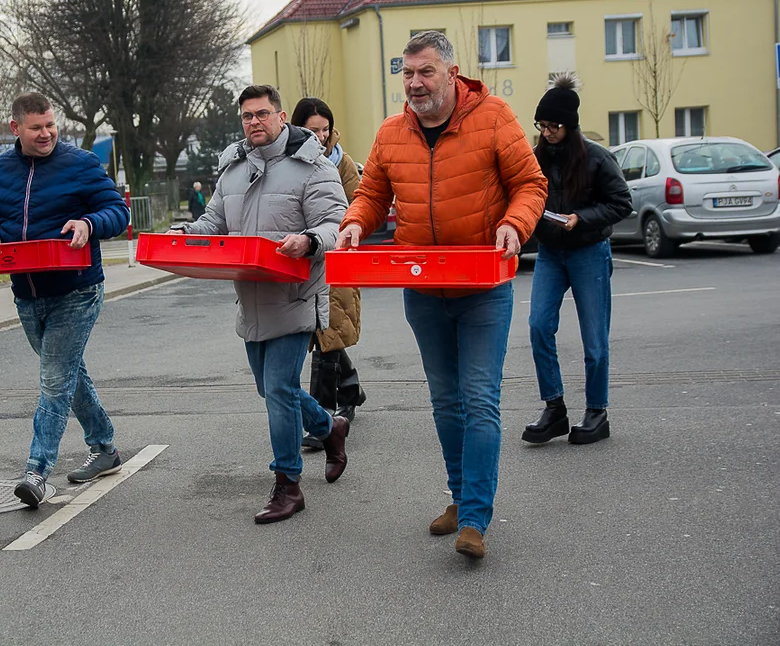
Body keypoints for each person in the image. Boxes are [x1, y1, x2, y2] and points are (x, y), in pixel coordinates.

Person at [337, 31, 547, 558]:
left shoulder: (494, 117)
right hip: (424, 288)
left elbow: (531, 184)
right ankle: (458, 496)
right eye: (407, 74)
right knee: (446, 401)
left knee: (479, 399)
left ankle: (475, 517)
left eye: (425, 72)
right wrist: (355, 223)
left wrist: (515, 226)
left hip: (484, 287)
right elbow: (371, 194)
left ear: (452, 74)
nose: (414, 84)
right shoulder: (391, 133)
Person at [169, 84, 349, 524]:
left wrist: (308, 241)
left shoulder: (313, 166)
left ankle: (288, 485)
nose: (255, 122)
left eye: (263, 114)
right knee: (271, 390)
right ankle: (330, 428)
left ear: (281, 116)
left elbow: (335, 223)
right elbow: (216, 220)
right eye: (248, 116)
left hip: (295, 294)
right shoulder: (232, 168)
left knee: (279, 392)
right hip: (249, 296)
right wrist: (188, 230)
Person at [0, 92, 130, 507]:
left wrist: (88, 222)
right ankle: (105, 448)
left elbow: (117, 212)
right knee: (66, 375)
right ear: (16, 128)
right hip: (27, 294)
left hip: (78, 290)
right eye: (37, 127)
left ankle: (37, 470)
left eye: (51, 125)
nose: (46, 133)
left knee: (52, 380)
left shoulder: (80, 163)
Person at [522, 73, 632, 446]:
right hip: (551, 253)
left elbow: (622, 203)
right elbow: (524, 196)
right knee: (538, 326)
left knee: (594, 338)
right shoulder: (534, 159)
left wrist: (580, 218)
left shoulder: (597, 158)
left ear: (570, 126)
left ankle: (597, 412)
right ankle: (554, 408)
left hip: (589, 252)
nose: (548, 132)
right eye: (542, 125)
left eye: (554, 126)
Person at [290, 97, 366, 450]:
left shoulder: (342, 163)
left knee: (326, 333)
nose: (320, 137)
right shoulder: (289, 161)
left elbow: (357, 206)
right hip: (303, 258)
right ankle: (350, 387)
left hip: (337, 257)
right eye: (312, 130)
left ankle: (323, 415)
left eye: (325, 129)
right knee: (325, 333)